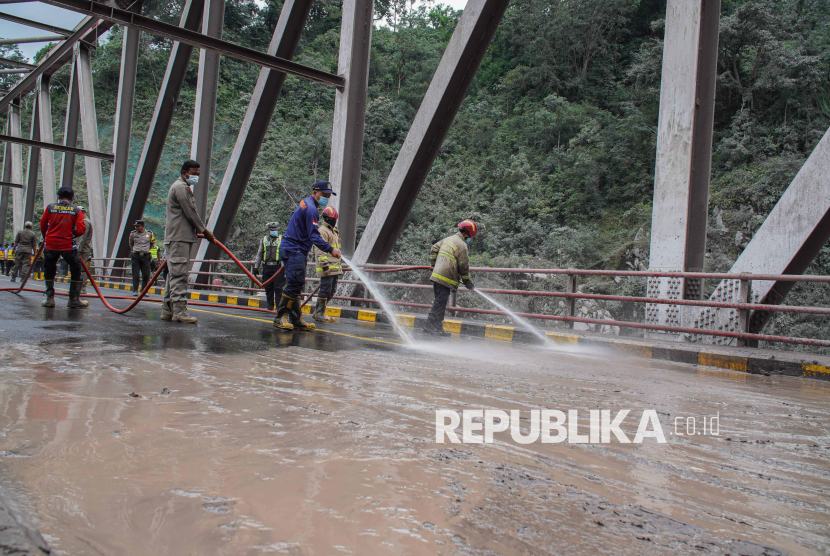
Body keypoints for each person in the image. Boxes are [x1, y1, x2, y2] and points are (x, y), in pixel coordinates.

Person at [273, 180, 342, 331]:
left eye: (328, 195)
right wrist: (331, 250)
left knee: (297, 283)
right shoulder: (311, 208)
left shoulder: (306, 203)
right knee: (294, 283)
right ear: (315, 193)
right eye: (324, 194)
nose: (326, 198)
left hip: (295, 249)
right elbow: (314, 236)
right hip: (294, 249)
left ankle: (296, 319)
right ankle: (280, 317)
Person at [162, 160, 215, 323]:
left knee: (173, 274)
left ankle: (168, 309)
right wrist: (204, 231)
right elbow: (190, 212)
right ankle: (180, 311)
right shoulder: (180, 188)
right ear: (184, 173)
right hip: (179, 238)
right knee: (179, 275)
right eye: (193, 174)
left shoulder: (181, 187)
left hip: (179, 237)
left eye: (198, 175)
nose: (195, 177)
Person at [422, 220, 477, 336]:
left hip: (437, 277)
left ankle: (437, 328)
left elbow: (434, 249)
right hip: (445, 278)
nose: (469, 239)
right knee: (439, 303)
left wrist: (434, 264)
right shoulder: (462, 246)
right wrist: (467, 281)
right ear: (466, 234)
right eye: (470, 236)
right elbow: (463, 266)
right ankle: (429, 326)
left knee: (441, 302)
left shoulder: (448, 239)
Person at [39, 186, 87, 308]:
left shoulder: (50, 208)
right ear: (72, 198)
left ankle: (49, 299)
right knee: (76, 269)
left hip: (51, 244)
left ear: (58, 197)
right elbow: (81, 229)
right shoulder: (76, 211)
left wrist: (47, 236)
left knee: (49, 270)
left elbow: (43, 224)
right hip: (67, 246)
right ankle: (74, 300)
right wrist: (71, 234)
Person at [312, 206, 342, 323]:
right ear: (327, 219)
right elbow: (320, 250)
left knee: (331, 290)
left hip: (335, 267)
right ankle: (319, 312)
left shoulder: (333, 231)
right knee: (325, 290)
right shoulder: (323, 231)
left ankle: (320, 311)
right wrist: (324, 265)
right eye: (331, 219)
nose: (333, 221)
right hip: (328, 268)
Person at [253, 221, 286, 311]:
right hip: (266, 267)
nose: (274, 231)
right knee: (268, 287)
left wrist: (284, 269)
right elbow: (259, 254)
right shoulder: (263, 240)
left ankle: (279, 307)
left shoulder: (281, 239)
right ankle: (269, 306)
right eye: (272, 229)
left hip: (278, 267)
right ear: (268, 230)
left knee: (278, 288)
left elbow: (284, 255)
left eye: (275, 229)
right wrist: (256, 267)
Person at [129, 220, 155, 295]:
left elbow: (152, 243)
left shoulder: (149, 233)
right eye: (135, 226)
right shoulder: (133, 234)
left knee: (146, 274)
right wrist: (135, 250)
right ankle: (135, 290)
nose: (136, 227)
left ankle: (144, 290)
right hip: (136, 255)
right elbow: (131, 243)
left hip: (145, 256)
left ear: (142, 226)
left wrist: (146, 250)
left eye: (137, 226)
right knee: (136, 274)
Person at [73, 206, 93, 294]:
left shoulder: (85, 223)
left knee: (82, 270)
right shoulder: (84, 222)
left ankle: (82, 288)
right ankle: (78, 288)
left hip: (82, 250)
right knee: (79, 269)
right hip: (82, 249)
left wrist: (77, 251)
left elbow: (82, 239)